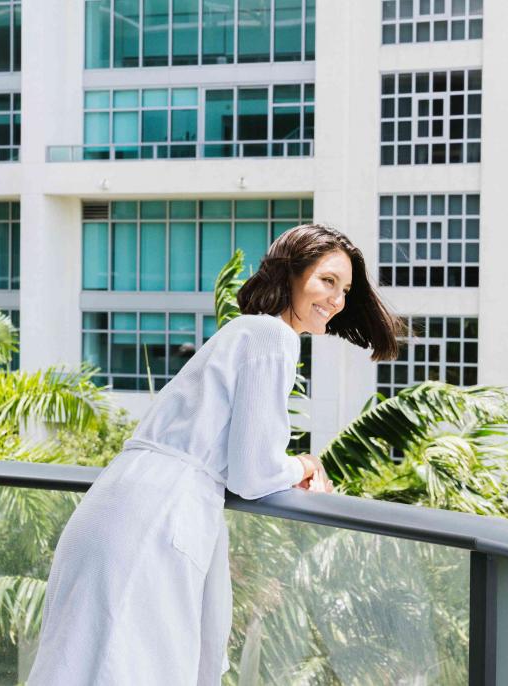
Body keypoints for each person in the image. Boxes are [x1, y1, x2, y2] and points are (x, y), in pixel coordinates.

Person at [27, 224, 401, 685]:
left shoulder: (243, 333)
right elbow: (253, 471)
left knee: (82, 658)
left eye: (345, 289)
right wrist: (305, 464)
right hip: (158, 514)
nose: (338, 299)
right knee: (130, 664)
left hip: (119, 501)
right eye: (328, 281)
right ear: (293, 272)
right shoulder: (272, 337)